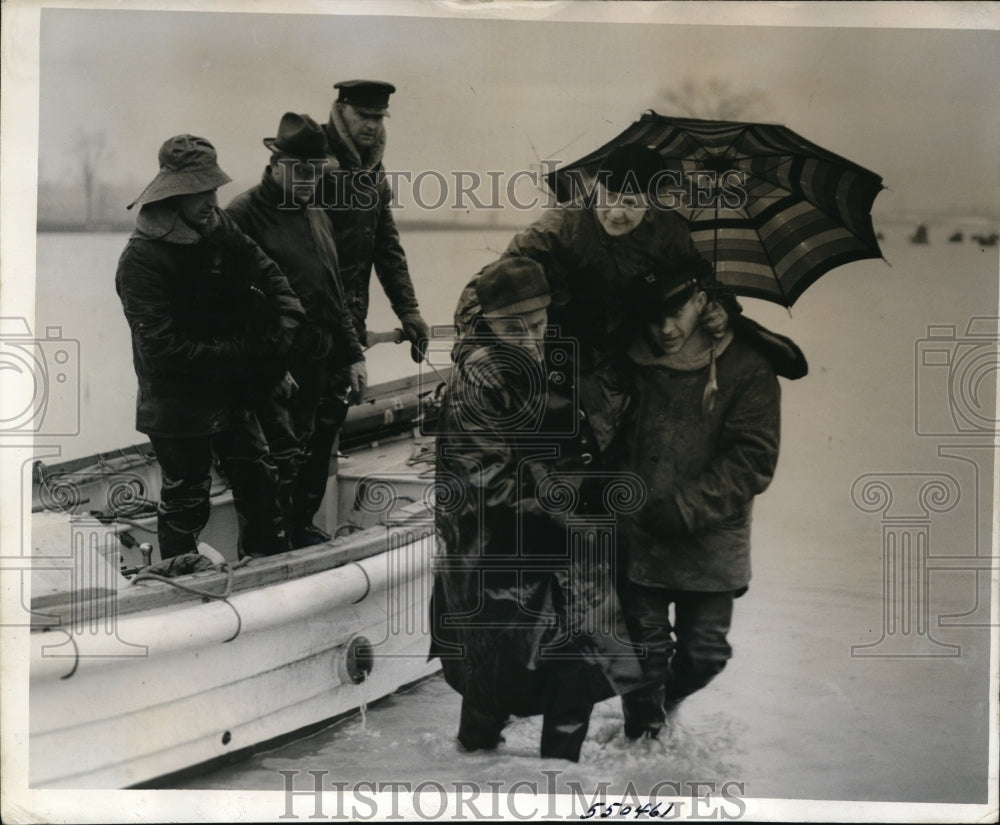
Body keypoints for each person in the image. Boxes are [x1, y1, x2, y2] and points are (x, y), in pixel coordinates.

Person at [430, 257, 644, 762]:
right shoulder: (475, 382)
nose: (529, 337)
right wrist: (570, 509)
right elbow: (481, 490)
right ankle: (476, 779)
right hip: (497, 558)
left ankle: (557, 790)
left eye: (539, 324)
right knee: (492, 690)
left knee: (579, 679)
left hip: (567, 551)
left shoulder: (554, 358)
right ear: (489, 322)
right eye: (513, 328)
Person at [614, 256, 784, 740]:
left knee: (705, 655)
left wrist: (687, 507)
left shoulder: (748, 366)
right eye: (652, 317)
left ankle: (665, 708)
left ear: (703, 301)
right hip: (638, 532)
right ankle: (640, 753)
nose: (665, 329)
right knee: (643, 654)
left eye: (677, 313)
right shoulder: (629, 358)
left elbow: (753, 460)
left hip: (710, 537)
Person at [116, 134, 305, 559]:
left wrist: (285, 326)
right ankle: (177, 581)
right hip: (176, 402)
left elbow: (271, 278)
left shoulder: (219, 227)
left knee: (260, 480)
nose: (211, 200)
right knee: (186, 498)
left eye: (213, 189)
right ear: (174, 194)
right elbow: (163, 351)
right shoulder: (140, 261)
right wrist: (245, 355)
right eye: (200, 191)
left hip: (230, 390)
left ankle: (266, 565)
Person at [226, 113, 367, 548]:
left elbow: (334, 294)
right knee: (274, 463)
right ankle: (269, 548)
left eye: (317, 171)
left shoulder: (317, 214)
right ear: (276, 163)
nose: (310, 180)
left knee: (317, 451)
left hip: (323, 362)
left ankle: (301, 528)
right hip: (277, 369)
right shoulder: (242, 214)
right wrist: (267, 365)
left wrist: (354, 355)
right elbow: (231, 305)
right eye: (302, 170)